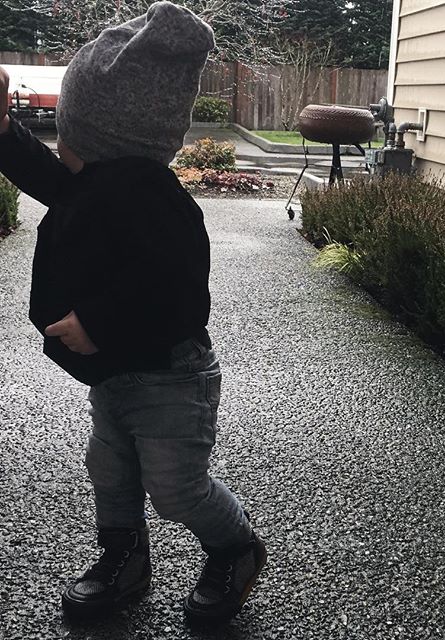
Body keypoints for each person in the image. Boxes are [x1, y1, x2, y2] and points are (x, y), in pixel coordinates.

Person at [0, 1, 266, 627]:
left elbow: (174, 291)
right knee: (111, 472)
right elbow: (41, 174)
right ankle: (123, 558)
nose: (58, 147)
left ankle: (235, 546)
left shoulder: (156, 202)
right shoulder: (94, 181)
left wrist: (97, 322)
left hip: (171, 377)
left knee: (176, 488)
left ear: (106, 138)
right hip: (115, 373)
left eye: (69, 135)